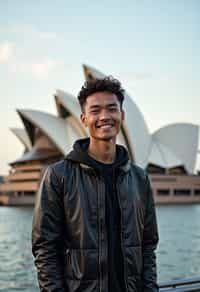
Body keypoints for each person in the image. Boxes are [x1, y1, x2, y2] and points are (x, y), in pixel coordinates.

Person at [32, 77, 159, 292]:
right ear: (83, 118)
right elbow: (45, 249)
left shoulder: (139, 179)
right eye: (95, 110)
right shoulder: (58, 175)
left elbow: (148, 246)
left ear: (122, 115)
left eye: (112, 109)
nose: (104, 117)